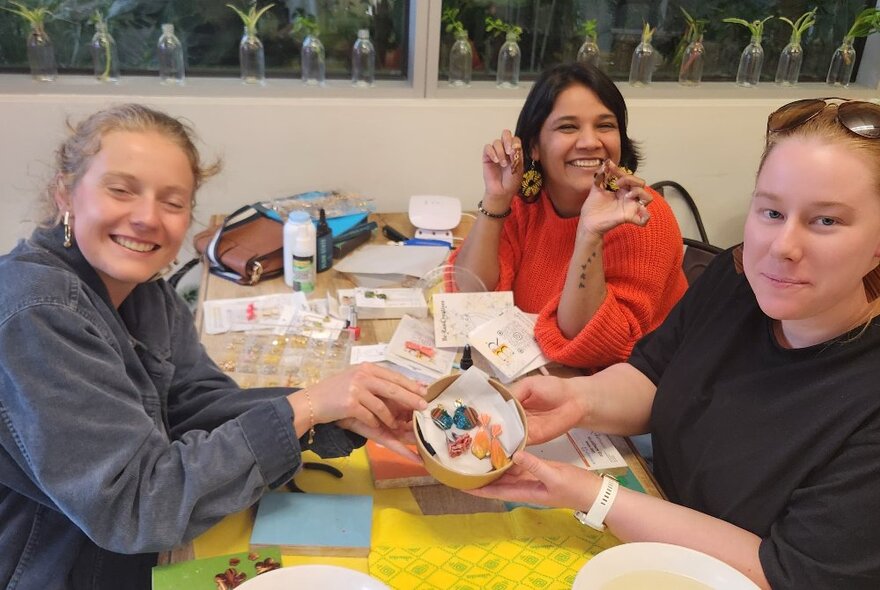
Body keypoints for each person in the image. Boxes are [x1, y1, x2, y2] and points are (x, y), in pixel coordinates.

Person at [0, 104, 427, 590]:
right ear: (66, 194)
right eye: (121, 190)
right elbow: (135, 506)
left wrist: (332, 410)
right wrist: (304, 408)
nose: (146, 218)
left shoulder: (142, 293)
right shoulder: (37, 314)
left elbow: (198, 403)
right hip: (68, 569)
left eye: (172, 202)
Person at [470, 98, 880, 589]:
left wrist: (595, 497)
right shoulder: (735, 282)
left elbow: (785, 572)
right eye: (771, 211)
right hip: (652, 516)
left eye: (826, 221)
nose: (782, 247)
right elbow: (652, 374)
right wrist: (574, 401)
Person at [452, 63, 687, 371]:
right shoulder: (528, 200)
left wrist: (589, 234)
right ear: (534, 145)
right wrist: (497, 198)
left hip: (617, 394)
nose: (590, 142)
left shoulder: (643, 215)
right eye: (568, 127)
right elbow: (472, 291)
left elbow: (593, 348)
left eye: (605, 125)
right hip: (538, 375)